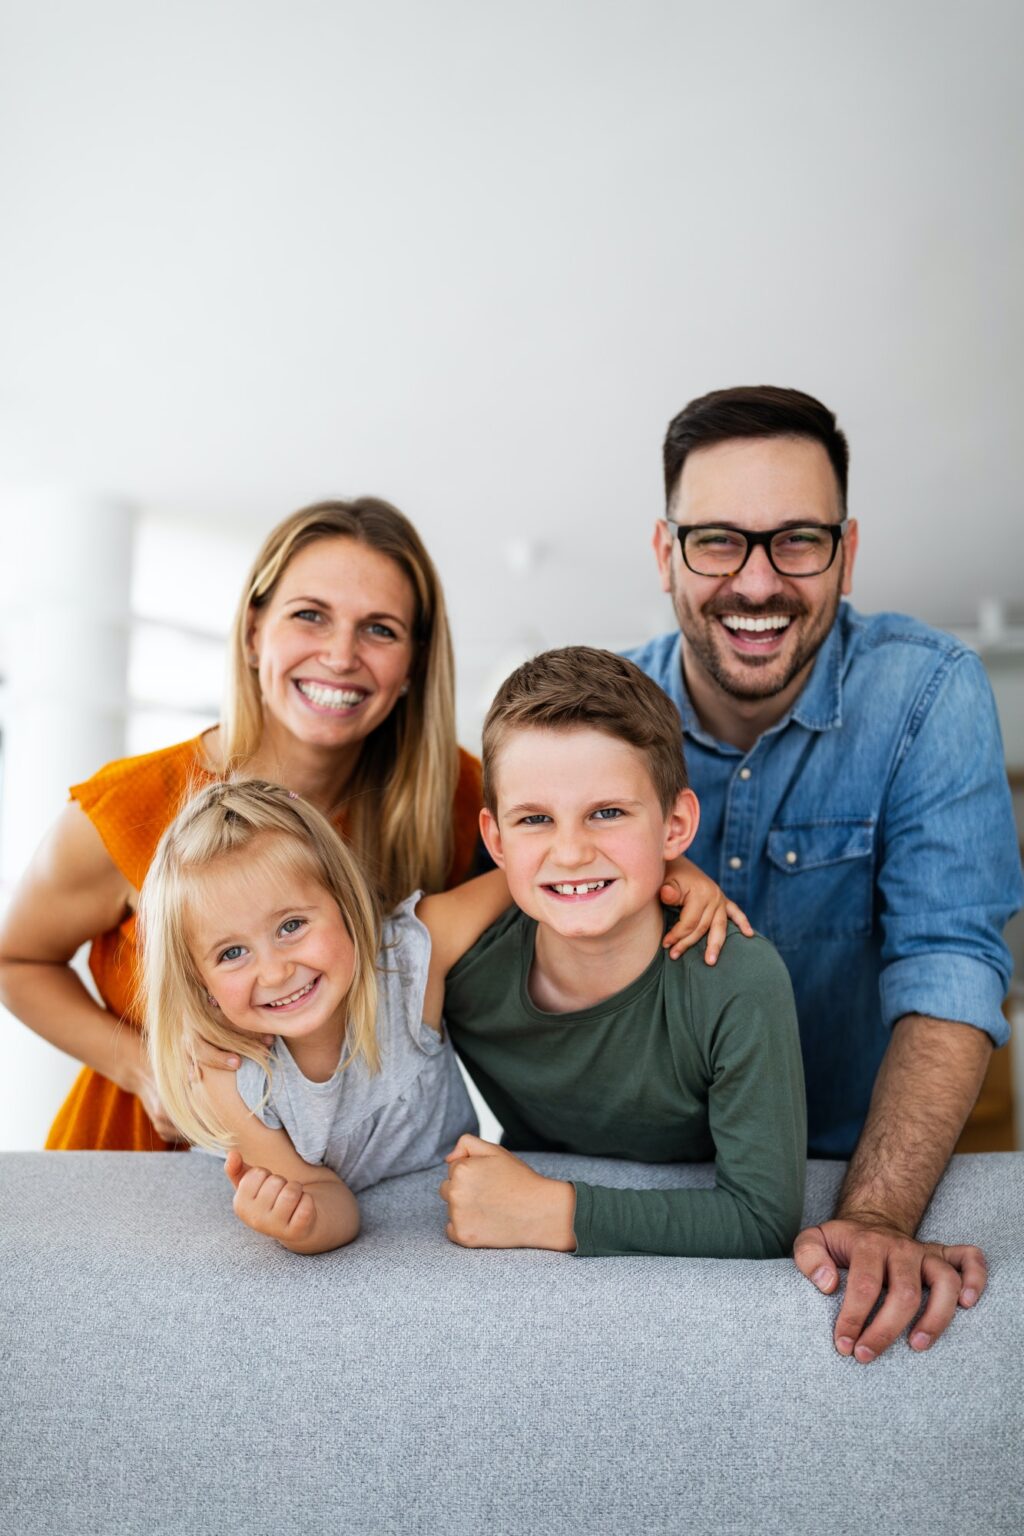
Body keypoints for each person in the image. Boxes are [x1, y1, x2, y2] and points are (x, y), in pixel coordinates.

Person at [626, 385, 1023, 1357]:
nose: (756, 583)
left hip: (859, 1154)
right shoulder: (599, 713)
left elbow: (949, 961)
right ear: (663, 553)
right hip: (664, 1181)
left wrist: (879, 1218)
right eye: (716, 539)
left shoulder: (930, 691)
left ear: (845, 555)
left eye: (796, 540)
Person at [0, 499, 483, 1152]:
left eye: (380, 629)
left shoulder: (457, 800)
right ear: (254, 633)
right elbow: (16, 960)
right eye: (309, 615)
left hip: (348, 1197)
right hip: (138, 1172)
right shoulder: (134, 805)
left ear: (414, 664)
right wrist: (145, 1069)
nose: (340, 655)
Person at [141, 775, 743, 1252]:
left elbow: (530, 875)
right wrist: (295, 1221)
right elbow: (332, 1204)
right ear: (199, 981)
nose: (274, 971)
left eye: (293, 926)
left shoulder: (406, 963)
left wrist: (668, 871)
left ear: (345, 904)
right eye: (232, 953)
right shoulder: (231, 1072)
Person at [439, 647, 807, 1260]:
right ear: (494, 839)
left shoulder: (736, 979)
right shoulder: (460, 971)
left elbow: (765, 1217)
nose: (572, 851)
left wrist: (551, 1210)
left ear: (674, 827)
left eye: (606, 813)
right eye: (535, 819)